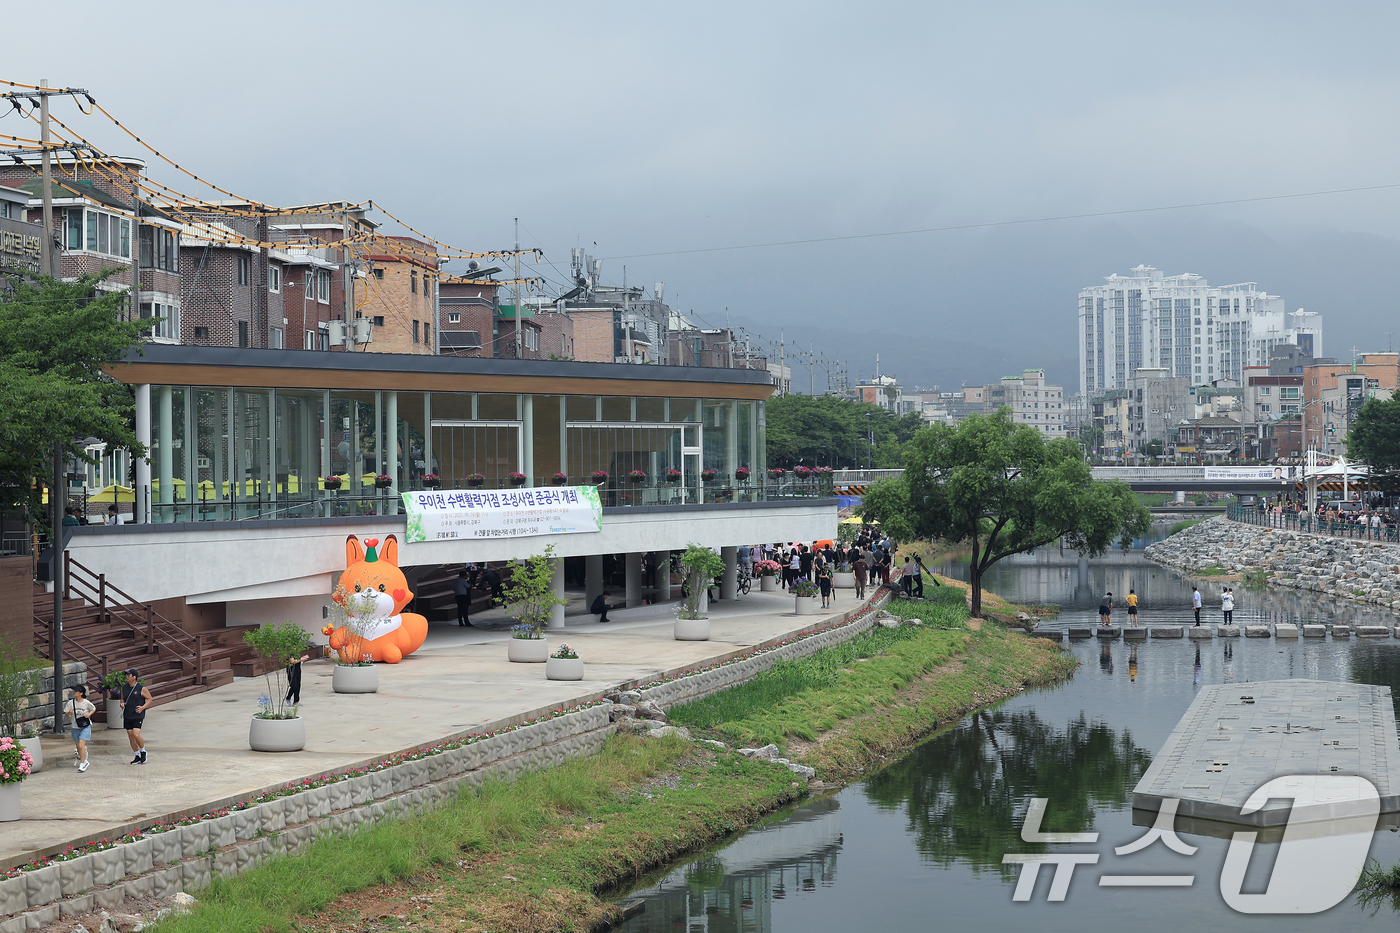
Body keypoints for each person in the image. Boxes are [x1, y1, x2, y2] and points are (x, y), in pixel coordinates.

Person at [121, 669, 152, 764]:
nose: (126, 677)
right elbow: (122, 698)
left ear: (134, 677)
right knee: (130, 736)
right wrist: (122, 703)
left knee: (136, 734)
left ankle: (143, 751)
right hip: (128, 714)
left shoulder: (141, 688)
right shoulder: (124, 688)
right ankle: (137, 755)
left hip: (137, 714)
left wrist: (142, 707)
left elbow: (149, 698)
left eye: (128, 675)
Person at [68, 684, 95, 773]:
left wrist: (88, 714)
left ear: (81, 693)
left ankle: (82, 763)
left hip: (85, 726)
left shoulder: (86, 702)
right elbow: (66, 715)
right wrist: (69, 712)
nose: (74, 692)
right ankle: (85, 761)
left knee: (81, 745)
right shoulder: (70, 703)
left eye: (76, 691)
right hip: (75, 726)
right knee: (78, 747)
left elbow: (93, 709)